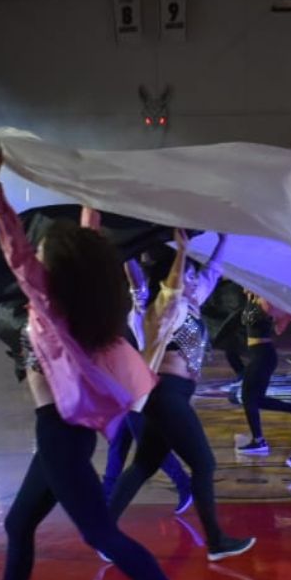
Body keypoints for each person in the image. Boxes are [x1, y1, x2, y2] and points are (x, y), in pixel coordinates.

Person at [0, 154, 206, 580]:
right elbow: (88, 241)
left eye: (45, 252)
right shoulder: (83, 296)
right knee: (20, 524)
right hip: (58, 435)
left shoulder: (50, 302)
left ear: (56, 269)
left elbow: (13, 248)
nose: (37, 255)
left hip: (61, 435)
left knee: (99, 533)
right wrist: (89, 195)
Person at [108, 229, 255, 563]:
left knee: (144, 464)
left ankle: (103, 531)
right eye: (186, 274)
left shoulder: (192, 302)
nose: (192, 278)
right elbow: (141, 283)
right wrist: (136, 250)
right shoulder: (160, 306)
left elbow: (213, 271)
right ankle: (216, 541)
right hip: (165, 394)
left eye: (191, 274)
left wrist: (224, 240)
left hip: (172, 397)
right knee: (204, 463)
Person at [101, 255, 194, 512]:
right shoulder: (141, 309)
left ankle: (184, 484)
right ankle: (107, 494)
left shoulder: (155, 312)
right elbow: (137, 285)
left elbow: (136, 282)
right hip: (127, 385)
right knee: (120, 440)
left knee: (145, 445)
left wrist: (126, 253)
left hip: (143, 389)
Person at [237, 292, 291, 455]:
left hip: (264, 355)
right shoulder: (251, 298)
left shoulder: (266, 299)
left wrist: (284, 319)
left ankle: (259, 441)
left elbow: (283, 321)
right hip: (256, 354)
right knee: (255, 399)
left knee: (249, 399)